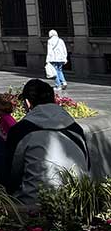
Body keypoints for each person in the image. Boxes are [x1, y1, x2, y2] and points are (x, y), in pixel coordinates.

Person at [5, 78, 90, 206]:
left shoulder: (20, 131)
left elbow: (11, 174)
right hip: (78, 202)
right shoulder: (75, 128)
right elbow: (86, 164)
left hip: (34, 205)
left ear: (27, 103)